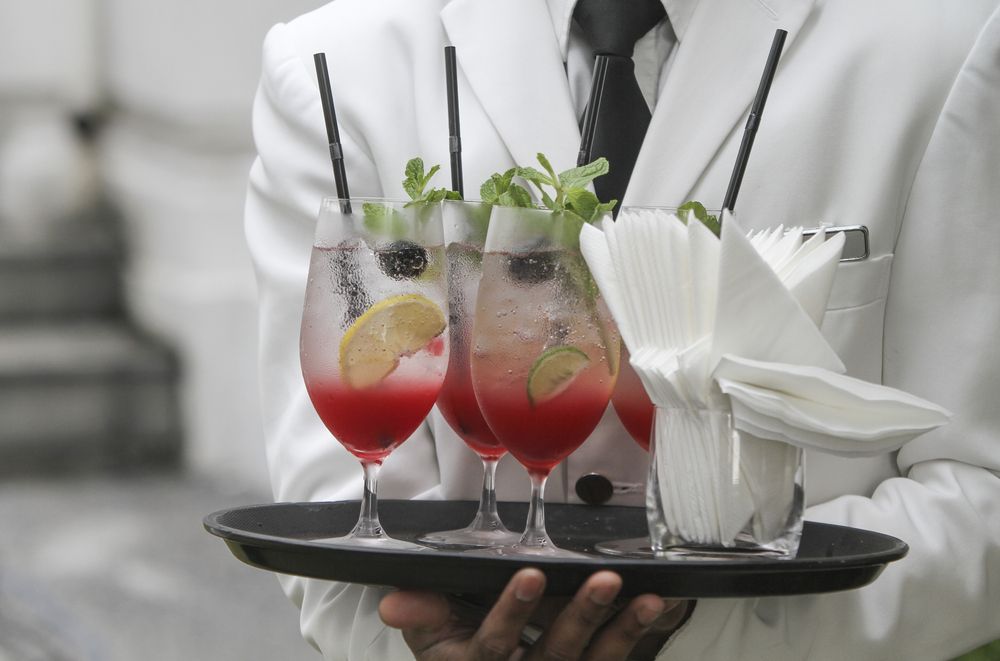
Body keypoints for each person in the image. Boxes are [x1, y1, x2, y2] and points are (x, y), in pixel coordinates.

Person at [243, 0, 1000, 658]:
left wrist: (691, 638)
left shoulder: (947, 45)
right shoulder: (331, 64)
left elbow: (980, 494)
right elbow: (338, 528)